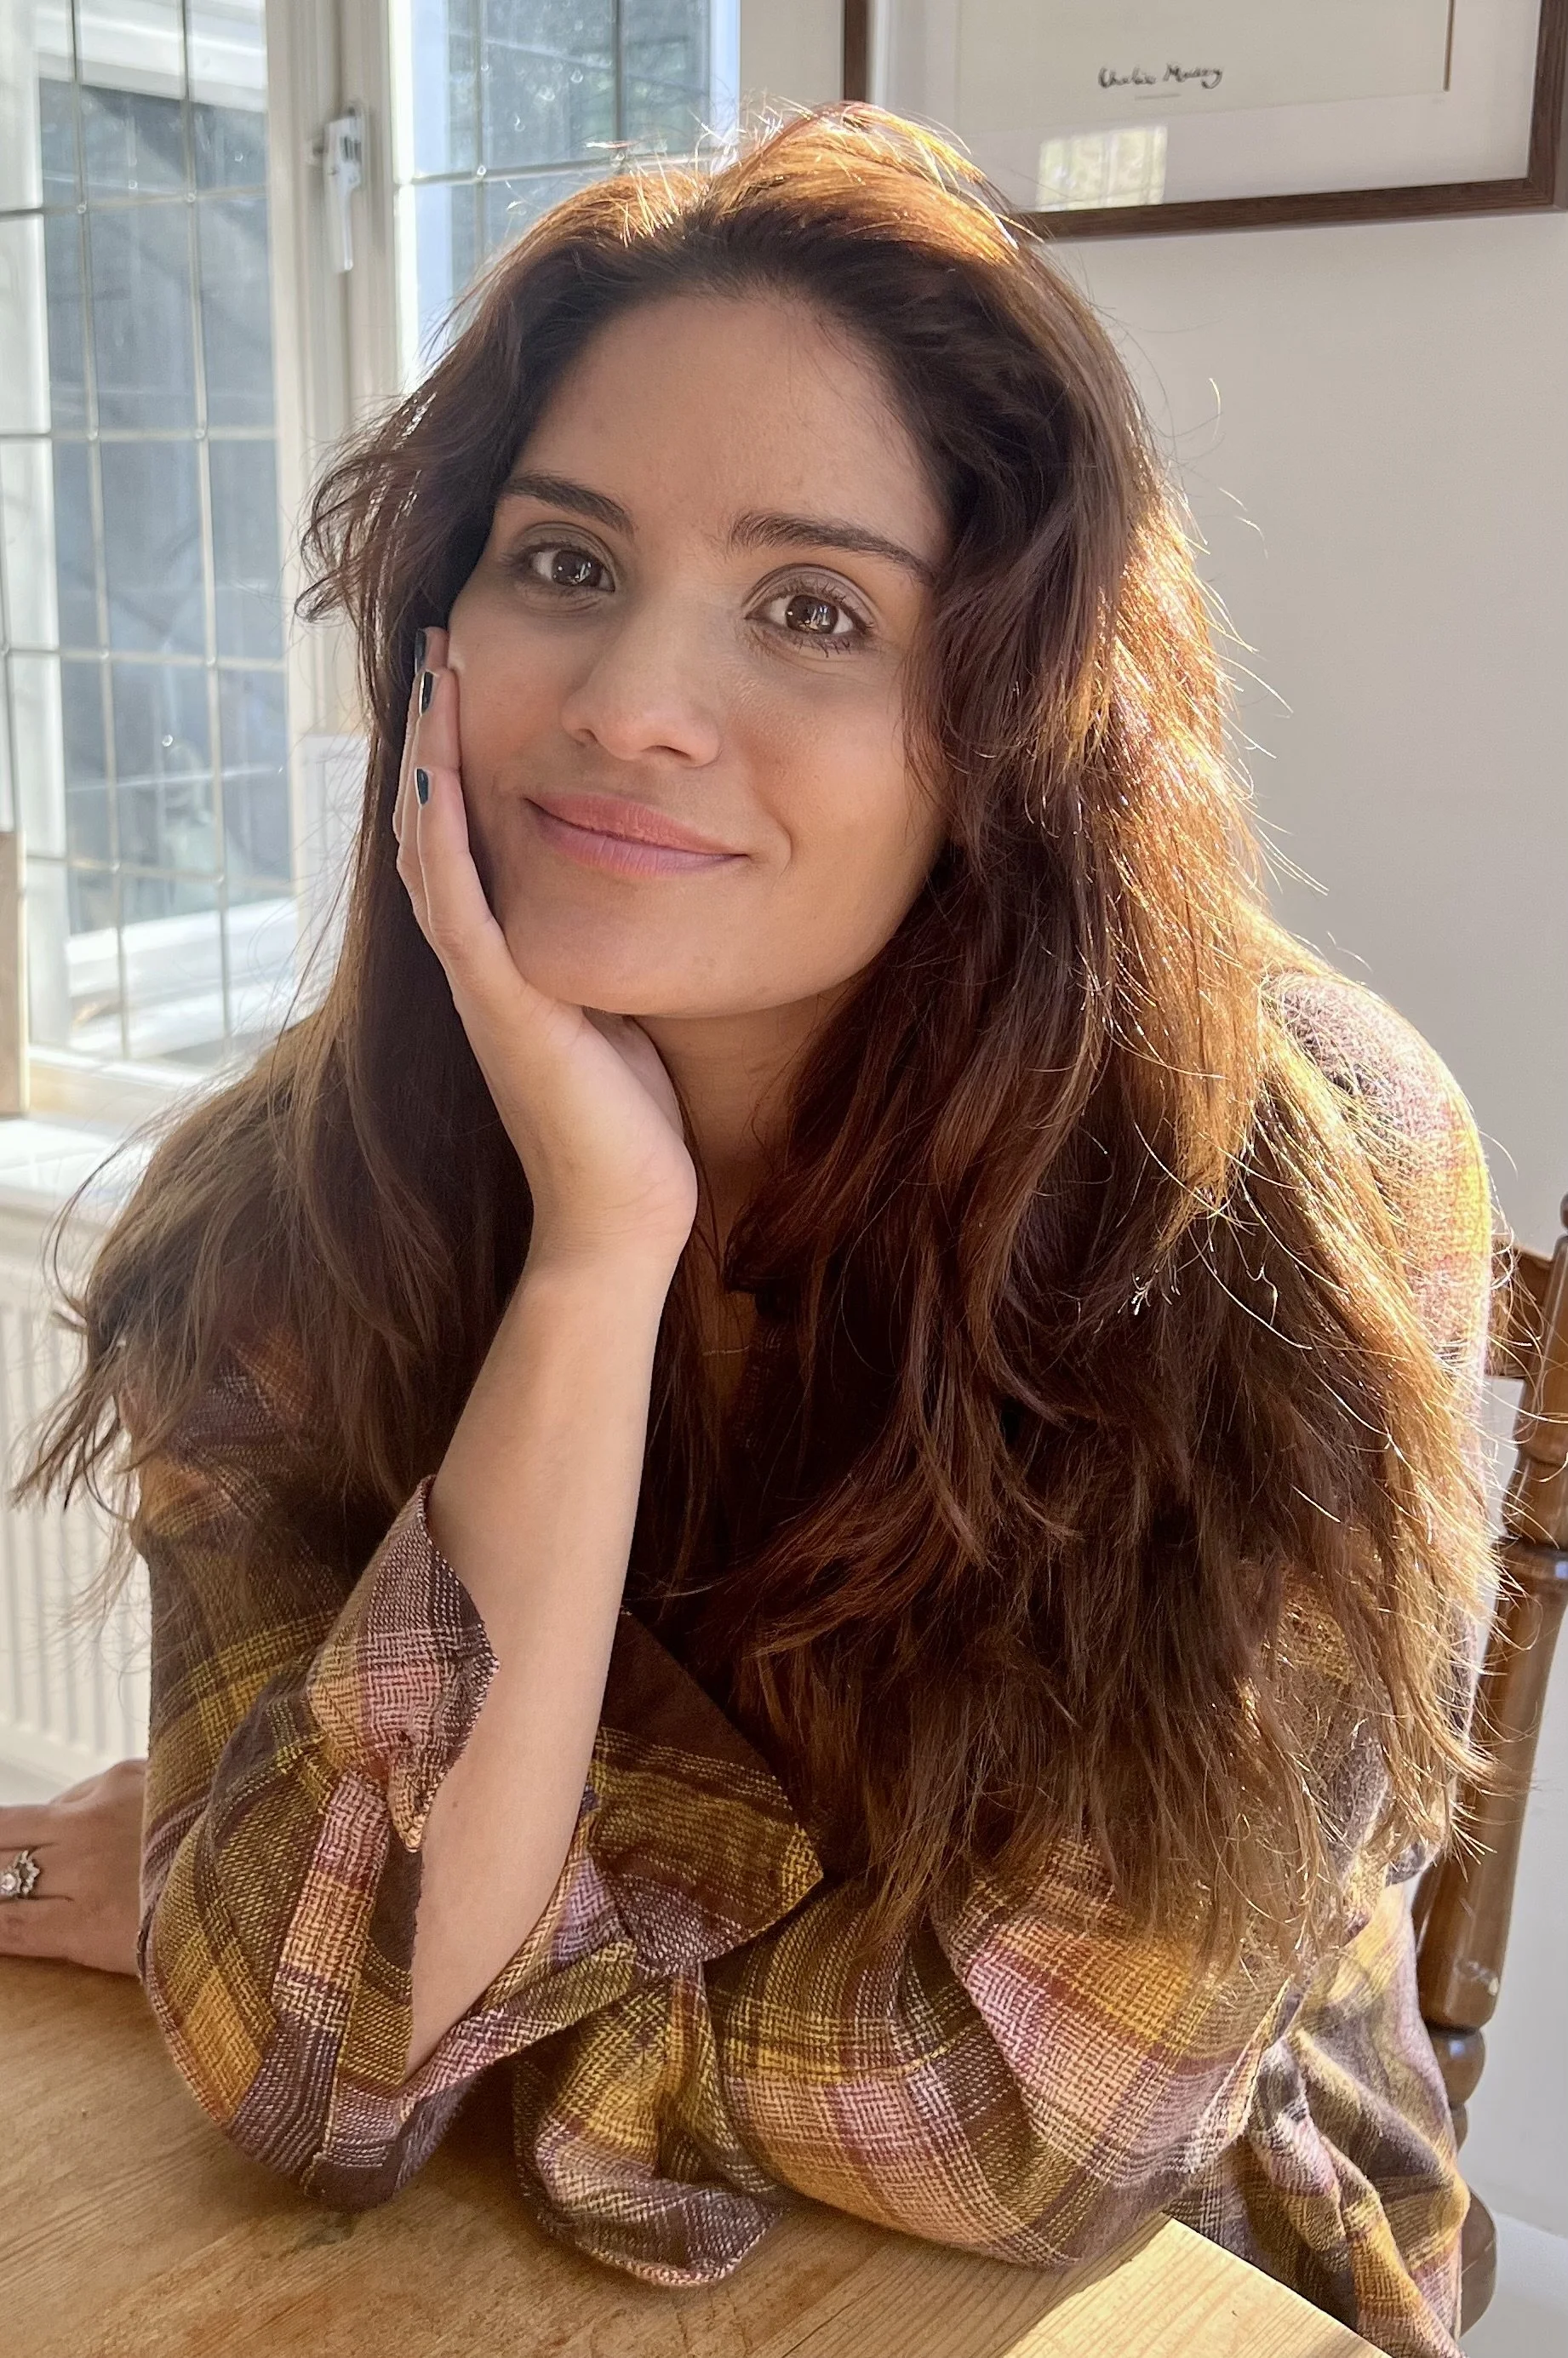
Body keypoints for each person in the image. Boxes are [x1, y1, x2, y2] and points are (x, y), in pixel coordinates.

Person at [3, 107, 1495, 2358]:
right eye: (564, 565)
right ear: (434, 632)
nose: (624, 710)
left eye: (813, 609)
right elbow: (308, 2079)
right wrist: (598, 1262)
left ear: (1008, 731)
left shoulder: (1286, 1174)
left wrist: (437, 1958)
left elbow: (1031, 2118)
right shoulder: (287, 1204)